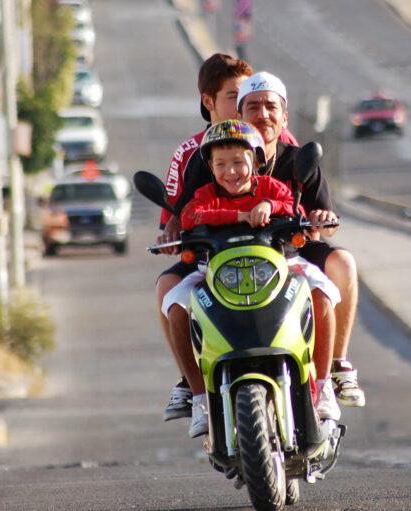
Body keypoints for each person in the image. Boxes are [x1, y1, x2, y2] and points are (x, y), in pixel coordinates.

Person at [175, 71, 366, 409]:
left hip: (289, 254)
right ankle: (194, 389)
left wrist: (316, 219)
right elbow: (189, 213)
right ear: (239, 115)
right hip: (221, 259)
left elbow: (314, 216)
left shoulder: (295, 161)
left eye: (270, 107)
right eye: (253, 108)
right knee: (173, 296)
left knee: (331, 280)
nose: (231, 171)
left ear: (284, 117)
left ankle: (333, 371)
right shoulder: (207, 159)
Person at [162, 119, 341, 437]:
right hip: (214, 271)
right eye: (220, 164)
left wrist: (269, 205)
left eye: (238, 162)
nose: (230, 172)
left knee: (323, 293)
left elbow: (292, 205)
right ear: (210, 167)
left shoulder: (271, 187)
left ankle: (324, 384)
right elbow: (191, 215)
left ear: (256, 161)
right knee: (174, 303)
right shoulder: (205, 195)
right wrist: (240, 216)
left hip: (283, 266)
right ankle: (201, 398)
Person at [156, 54, 298, 423]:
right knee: (169, 291)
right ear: (209, 102)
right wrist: (176, 230)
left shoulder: (282, 142)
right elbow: (181, 213)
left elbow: (294, 197)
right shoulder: (192, 153)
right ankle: (195, 387)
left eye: (249, 97)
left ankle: (321, 382)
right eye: (235, 97)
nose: (245, 108)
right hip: (214, 258)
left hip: (276, 254)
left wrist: (290, 213)